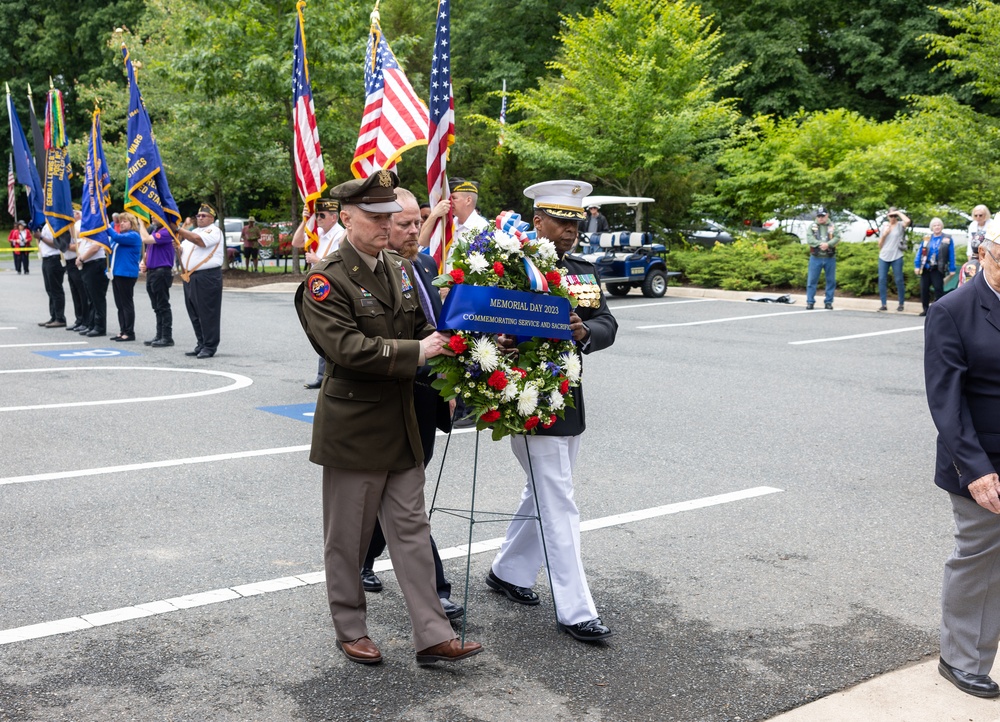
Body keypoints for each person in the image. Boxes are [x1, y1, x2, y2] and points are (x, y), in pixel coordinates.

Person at [294, 169, 481, 666]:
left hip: (401, 425)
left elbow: (424, 325)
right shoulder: (325, 279)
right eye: (374, 217)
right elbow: (347, 348)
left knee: (412, 532)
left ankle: (432, 633)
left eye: (387, 216)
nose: (384, 224)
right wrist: (419, 351)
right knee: (348, 540)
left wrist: (469, 341)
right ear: (347, 218)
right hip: (355, 429)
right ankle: (350, 627)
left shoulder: (396, 270)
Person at [487, 179, 619, 643]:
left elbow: (607, 323)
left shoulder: (582, 270)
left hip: (569, 397)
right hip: (526, 397)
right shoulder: (508, 267)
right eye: (561, 222)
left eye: (575, 224)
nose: (569, 232)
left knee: (543, 491)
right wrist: (501, 340)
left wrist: (584, 332)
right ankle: (576, 608)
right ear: (537, 220)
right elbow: (480, 320)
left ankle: (508, 571)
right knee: (558, 497)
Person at [359, 187, 463, 621]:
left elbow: (437, 328)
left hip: (425, 397)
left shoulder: (423, 264)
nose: (411, 231)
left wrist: (450, 384)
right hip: (387, 398)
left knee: (399, 491)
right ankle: (434, 590)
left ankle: (362, 559)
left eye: (416, 222)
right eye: (402, 224)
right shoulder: (371, 273)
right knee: (408, 499)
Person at [925, 227, 1000, 699]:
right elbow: (946, 402)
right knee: (980, 559)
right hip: (983, 458)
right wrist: (975, 469)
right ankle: (961, 658)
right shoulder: (951, 310)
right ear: (985, 252)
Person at [292, 197, 345, 388]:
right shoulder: (318, 232)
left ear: (334, 217)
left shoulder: (341, 234)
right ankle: (323, 375)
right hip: (318, 288)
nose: (318, 218)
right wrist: (305, 220)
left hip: (333, 288)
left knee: (328, 332)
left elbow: (341, 263)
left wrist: (317, 258)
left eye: (321, 215)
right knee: (318, 331)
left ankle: (327, 375)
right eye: (317, 215)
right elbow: (296, 241)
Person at [175, 204, 225, 359]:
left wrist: (177, 229)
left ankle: (210, 346)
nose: (200, 218)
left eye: (204, 216)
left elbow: (199, 241)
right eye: (198, 216)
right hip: (191, 276)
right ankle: (201, 343)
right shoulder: (193, 232)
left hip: (207, 276)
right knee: (194, 313)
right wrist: (177, 250)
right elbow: (183, 252)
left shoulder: (213, 231)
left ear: (212, 218)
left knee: (207, 313)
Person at [419, 177, 489, 255]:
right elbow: (422, 241)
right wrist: (434, 214)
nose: (449, 202)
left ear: (468, 200)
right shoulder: (450, 224)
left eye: (453, 198)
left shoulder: (482, 228)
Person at [106, 212, 145, 342]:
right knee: (120, 304)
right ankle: (123, 330)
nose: (121, 223)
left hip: (126, 273)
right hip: (117, 273)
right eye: (121, 221)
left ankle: (129, 332)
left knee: (126, 303)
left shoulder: (133, 235)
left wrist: (106, 225)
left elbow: (115, 236)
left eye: (125, 221)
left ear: (132, 223)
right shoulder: (122, 236)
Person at [140, 220, 177, 347]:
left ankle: (167, 337)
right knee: (156, 306)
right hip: (152, 272)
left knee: (163, 305)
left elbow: (145, 239)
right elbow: (149, 249)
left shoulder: (166, 231)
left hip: (161, 272)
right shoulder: (155, 230)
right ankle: (159, 334)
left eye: (154, 215)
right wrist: (145, 263)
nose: (151, 218)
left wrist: (140, 222)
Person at [915, 217, 956, 317]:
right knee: (924, 289)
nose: (937, 227)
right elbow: (920, 252)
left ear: (941, 226)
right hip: (926, 266)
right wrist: (917, 265)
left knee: (938, 289)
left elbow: (951, 254)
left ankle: (938, 310)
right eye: (934, 225)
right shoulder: (927, 238)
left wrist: (952, 268)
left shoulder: (947, 238)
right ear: (931, 227)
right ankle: (925, 309)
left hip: (938, 267)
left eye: (938, 225)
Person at [75, 223, 109, 338]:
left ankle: (100, 327)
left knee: (97, 298)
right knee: (90, 298)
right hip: (87, 265)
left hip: (95, 264)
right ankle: (92, 324)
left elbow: (95, 248)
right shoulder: (88, 230)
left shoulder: (98, 227)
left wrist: (81, 258)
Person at [805, 207, 839, 310]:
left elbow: (837, 237)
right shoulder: (812, 226)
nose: (821, 218)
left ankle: (828, 302)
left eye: (823, 216)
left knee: (831, 281)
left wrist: (828, 244)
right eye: (819, 216)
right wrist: (821, 244)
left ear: (827, 215)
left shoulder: (832, 226)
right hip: (816, 257)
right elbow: (810, 239)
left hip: (830, 257)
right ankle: (810, 302)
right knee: (812, 281)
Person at [877, 207, 910, 312]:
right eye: (891, 215)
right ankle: (883, 304)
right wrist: (884, 235)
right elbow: (880, 245)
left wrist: (898, 212)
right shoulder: (884, 227)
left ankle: (901, 303)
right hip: (884, 255)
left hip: (897, 255)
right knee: (882, 279)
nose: (893, 218)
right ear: (887, 216)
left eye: (894, 216)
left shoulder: (900, 225)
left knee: (899, 279)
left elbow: (907, 221)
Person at [36, 223, 67, 328]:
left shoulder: (55, 224)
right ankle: (53, 316)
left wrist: (41, 237)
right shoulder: (46, 225)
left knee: (56, 289)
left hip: (54, 258)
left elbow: (56, 243)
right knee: (49, 289)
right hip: (47, 259)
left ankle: (60, 318)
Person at [64, 209, 90, 332]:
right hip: (69, 262)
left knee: (82, 293)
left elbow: (78, 246)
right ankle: (79, 319)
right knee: (75, 293)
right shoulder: (71, 226)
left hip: (77, 261)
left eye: (74, 212)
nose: (71, 214)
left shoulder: (80, 225)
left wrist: (65, 246)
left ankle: (85, 320)